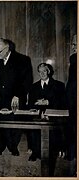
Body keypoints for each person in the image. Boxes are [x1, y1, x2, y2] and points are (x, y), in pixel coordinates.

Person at [0, 38, 33, 156]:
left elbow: (27, 81)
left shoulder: (22, 59)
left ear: (7, 49)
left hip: (16, 98)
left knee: (15, 124)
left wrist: (18, 95)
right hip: (0, 97)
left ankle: (13, 147)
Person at [28, 63, 67, 175]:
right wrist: (38, 108)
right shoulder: (34, 86)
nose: (42, 73)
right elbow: (30, 103)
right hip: (38, 114)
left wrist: (48, 102)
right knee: (33, 125)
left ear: (49, 71)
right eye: (40, 71)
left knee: (57, 130)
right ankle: (35, 152)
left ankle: (57, 151)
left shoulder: (59, 85)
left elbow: (63, 102)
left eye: (44, 71)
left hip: (54, 115)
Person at [65, 34, 77, 162]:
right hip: (73, 99)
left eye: (75, 44)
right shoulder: (73, 58)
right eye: (72, 44)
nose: (73, 47)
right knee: (72, 126)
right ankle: (72, 153)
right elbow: (71, 81)